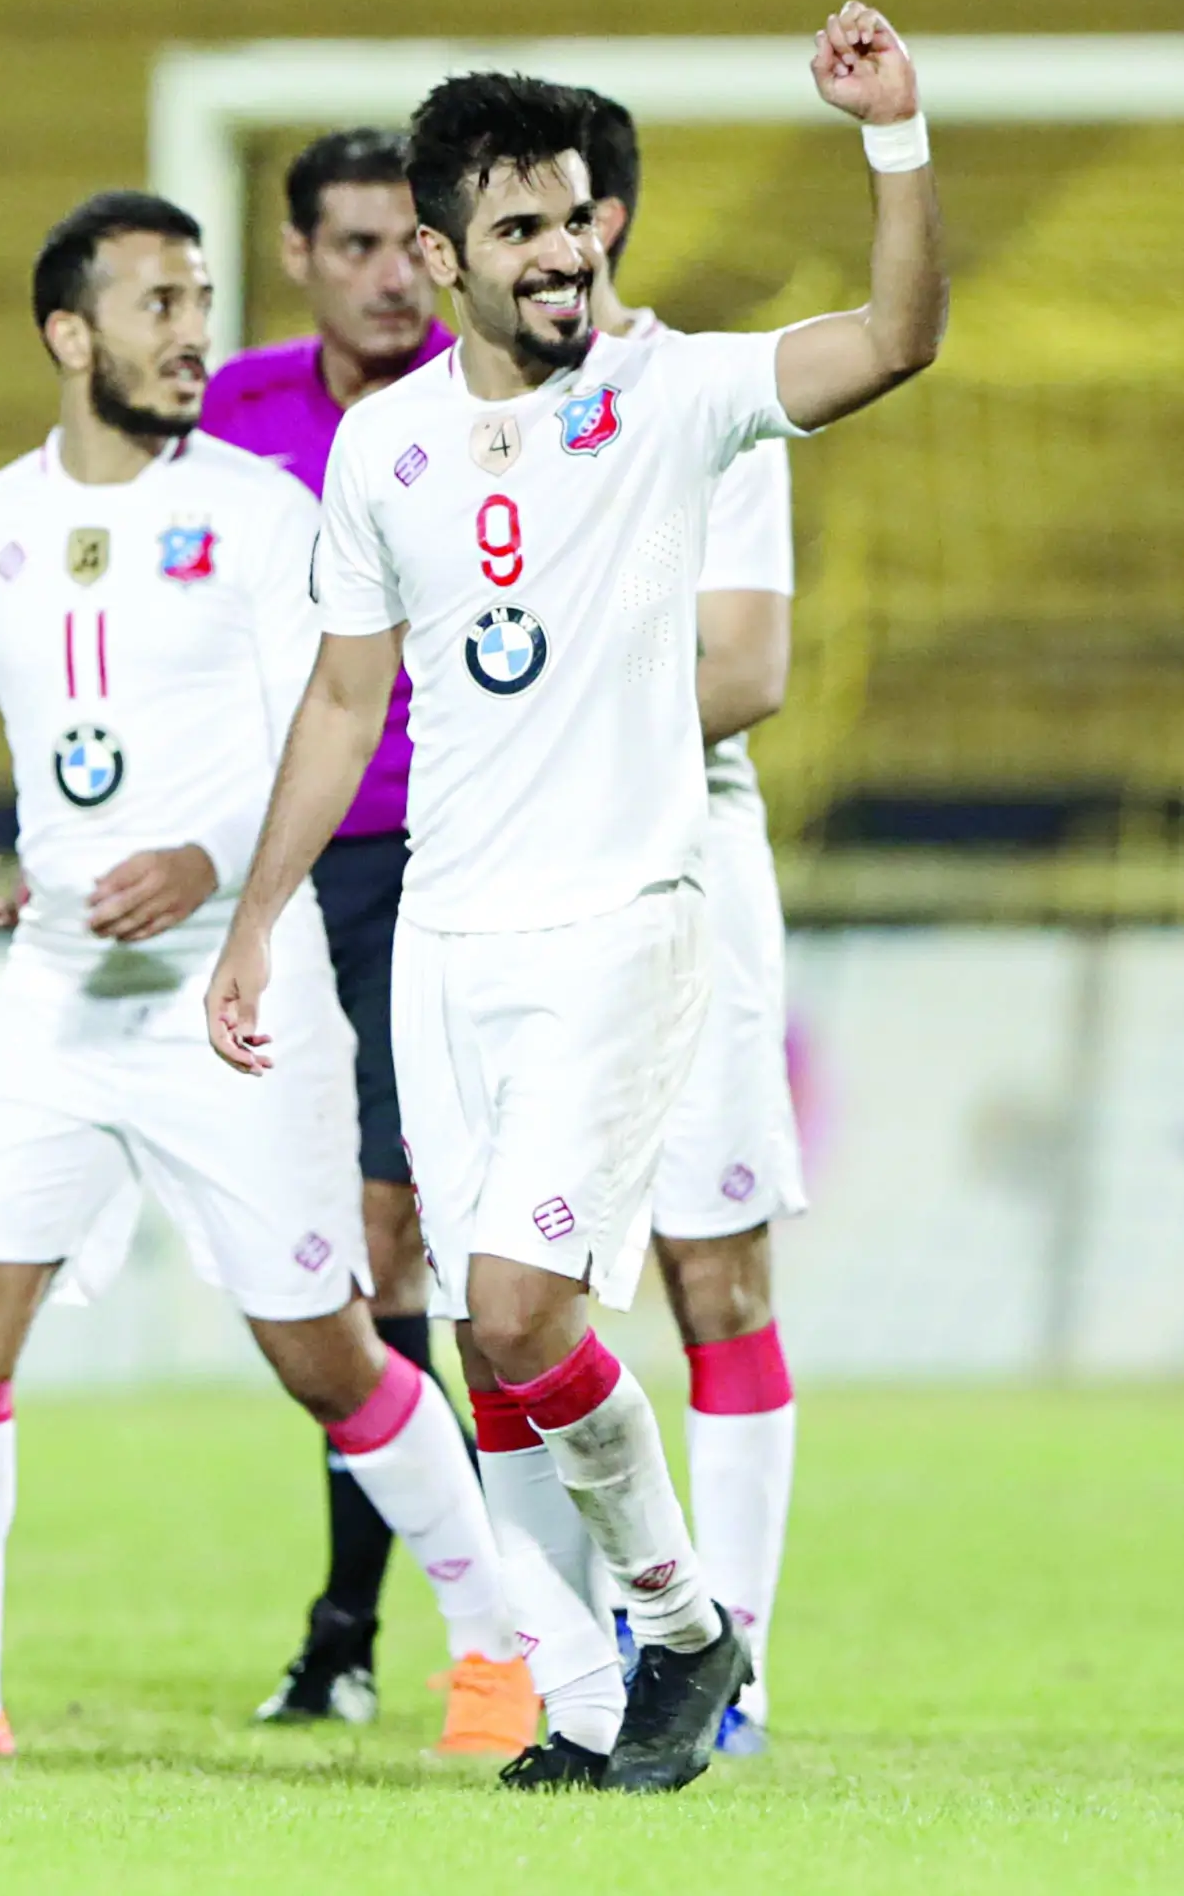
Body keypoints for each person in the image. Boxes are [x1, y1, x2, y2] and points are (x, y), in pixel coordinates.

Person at [207, 7, 943, 1792]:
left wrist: (896, 141)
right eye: (519, 227)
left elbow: (895, 338)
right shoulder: (380, 454)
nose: (562, 251)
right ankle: (595, 1693)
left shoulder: (675, 389)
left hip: (623, 922)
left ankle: (685, 1629)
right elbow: (336, 700)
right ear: (444, 256)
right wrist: (253, 918)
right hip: (447, 943)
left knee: (530, 1314)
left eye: (575, 219)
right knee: (483, 1330)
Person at [0, 190, 532, 1759]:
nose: (192, 334)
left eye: (202, 301)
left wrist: (207, 857)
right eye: (158, 304)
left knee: (321, 1345)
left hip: (231, 988)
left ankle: (497, 1650)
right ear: (67, 334)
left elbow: (323, 725)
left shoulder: (259, 511)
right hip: (52, 986)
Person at [201, 126, 470, 1726]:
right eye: (353, 244)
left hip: (454, 861)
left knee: (411, 1244)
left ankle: (371, 1626)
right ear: (298, 252)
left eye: (404, 243)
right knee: (328, 1249)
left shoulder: (488, 401)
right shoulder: (226, 419)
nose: (386, 273)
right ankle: (378, 1629)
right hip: (289, 875)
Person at [579, 90, 804, 1757]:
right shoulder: (443, 426)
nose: (554, 244)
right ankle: (585, 1649)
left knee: (711, 1271)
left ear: (614, 222)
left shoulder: (708, 403)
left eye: (575, 211)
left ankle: (741, 1660)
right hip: (503, 892)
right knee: (514, 1288)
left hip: (681, 861)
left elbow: (746, 668)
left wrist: (541, 724)